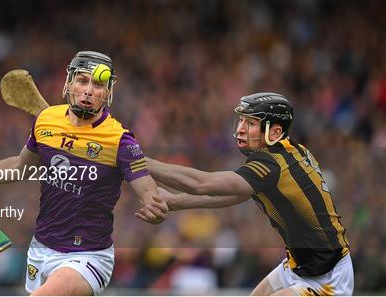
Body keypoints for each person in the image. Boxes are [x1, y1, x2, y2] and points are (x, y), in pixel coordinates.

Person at [0, 51, 168, 295]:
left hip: (87, 257)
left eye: (98, 84)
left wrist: (154, 205)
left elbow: (148, 191)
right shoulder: (46, 120)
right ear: (69, 83)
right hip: (41, 249)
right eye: (82, 80)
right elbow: (18, 168)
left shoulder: (120, 140)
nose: (88, 90)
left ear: (108, 92)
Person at [140, 92, 353, 296]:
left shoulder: (271, 164)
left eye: (250, 124)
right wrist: (177, 201)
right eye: (241, 121)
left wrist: (136, 161)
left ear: (275, 132)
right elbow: (238, 194)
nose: (240, 129)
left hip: (328, 275)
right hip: (297, 266)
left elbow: (201, 183)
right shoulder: (289, 151)